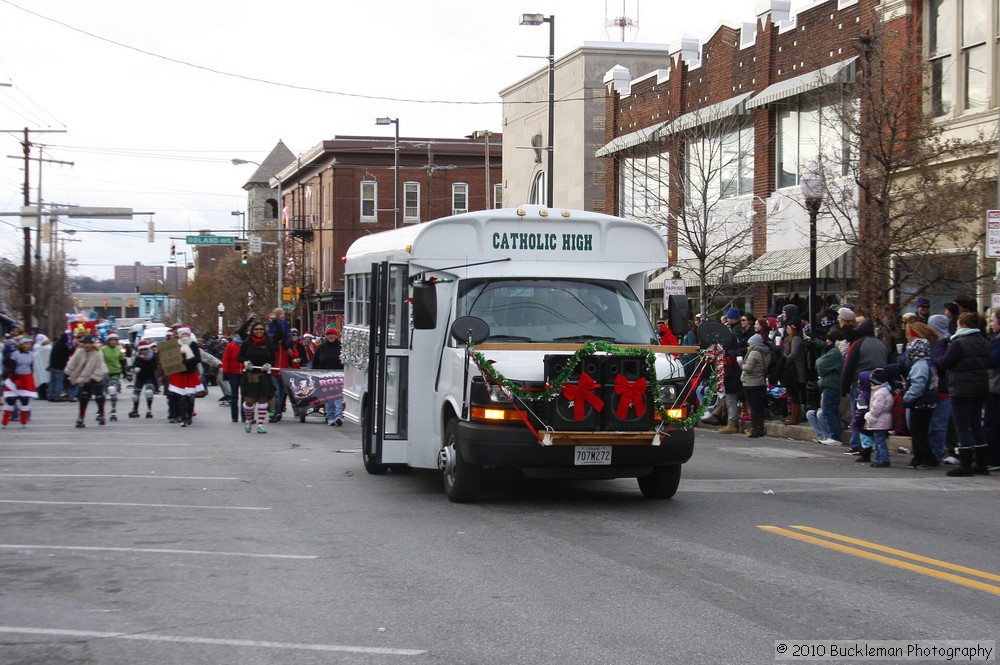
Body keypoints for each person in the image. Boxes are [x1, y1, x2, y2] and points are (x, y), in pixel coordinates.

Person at [938, 312, 990, 476]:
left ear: (962, 325)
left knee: (962, 426)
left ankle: (965, 464)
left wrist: (941, 352)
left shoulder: (958, 343)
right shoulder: (984, 341)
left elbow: (945, 363)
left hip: (961, 389)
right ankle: (982, 463)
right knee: (976, 424)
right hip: (981, 387)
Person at [840, 318, 889, 455]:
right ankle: (875, 444)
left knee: (859, 414)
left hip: (861, 384)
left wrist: (843, 389)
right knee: (875, 414)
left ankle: (858, 445)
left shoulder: (858, 345)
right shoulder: (882, 345)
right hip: (880, 384)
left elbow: (848, 368)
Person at [901, 337, 939, 468]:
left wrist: (907, 397)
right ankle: (919, 457)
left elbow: (918, 385)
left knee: (918, 433)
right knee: (920, 432)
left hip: (920, 403)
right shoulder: (929, 364)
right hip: (929, 402)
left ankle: (927, 458)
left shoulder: (919, 366)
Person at [806, 327, 844, 445]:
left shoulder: (834, 352)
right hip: (829, 385)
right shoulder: (832, 352)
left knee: (828, 412)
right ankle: (825, 436)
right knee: (828, 411)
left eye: (828, 339)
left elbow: (820, 364)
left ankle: (835, 436)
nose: (826, 342)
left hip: (831, 386)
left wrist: (820, 366)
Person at [238, 319, 276, 433]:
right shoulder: (247, 342)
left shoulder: (268, 342)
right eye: (256, 329)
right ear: (252, 330)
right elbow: (239, 356)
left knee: (262, 400)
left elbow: (273, 358)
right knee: (249, 400)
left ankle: (260, 424)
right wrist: (245, 362)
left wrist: (269, 364)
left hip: (263, 374)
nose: (259, 331)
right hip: (250, 374)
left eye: (261, 329)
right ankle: (248, 419)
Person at [65, 334, 109, 428]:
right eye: (85, 343)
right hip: (85, 377)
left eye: (89, 343)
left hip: (98, 376)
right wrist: (67, 373)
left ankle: (101, 414)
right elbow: (72, 363)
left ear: (92, 344)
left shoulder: (98, 353)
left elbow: (99, 367)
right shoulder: (79, 352)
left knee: (99, 396)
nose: (87, 345)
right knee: (84, 396)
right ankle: (81, 417)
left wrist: (93, 378)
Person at [167, 327, 204, 427]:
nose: (184, 336)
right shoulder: (175, 345)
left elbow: (197, 359)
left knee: (190, 399)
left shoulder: (193, 344)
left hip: (190, 374)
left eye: (186, 334)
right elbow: (170, 359)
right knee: (181, 399)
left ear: (189, 335)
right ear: (179, 335)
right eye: (182, 334)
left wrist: (185, 362)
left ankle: (189, 416)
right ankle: (183, 418)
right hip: (179, 374)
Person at [312, 324, 344, 426]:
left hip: (338, 375)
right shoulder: (321, 348)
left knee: (338, 397)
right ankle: (330, 417)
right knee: (329, 398)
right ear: (326, 336)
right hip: (324, 376)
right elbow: (315, 362)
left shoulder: (341, 347)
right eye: (329, 334)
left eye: (333, 334)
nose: (331, 336)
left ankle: (339, 416)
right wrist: (314, 373)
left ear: (336, 336)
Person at [718, 307, 744, 434]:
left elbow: (728, 370)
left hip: (732, 381)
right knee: (732, 401)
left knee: (731, 401)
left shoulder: (731, 355)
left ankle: (732, 423)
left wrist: (724, 379)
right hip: (736, 379)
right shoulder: (735, 352)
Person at [2, 335, 38, 428]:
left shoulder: (31, 354)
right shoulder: (15, 354)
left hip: (27, 377)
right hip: (16, 377)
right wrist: (16, 379)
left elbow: (31, 367)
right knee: (10, 400)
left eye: (30, 344)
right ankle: (5, 421)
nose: (28, 345)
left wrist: (32, 379)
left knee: (25, 400)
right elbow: (12, 368)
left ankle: (23, 420)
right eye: (26, 344)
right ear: (21, 344)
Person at [740, 333, 770, 438]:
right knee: (759, 406)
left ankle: (754, 429)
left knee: (753, 407)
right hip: (760, 381)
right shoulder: (765, 352)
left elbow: (748, 368)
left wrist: (740, 364)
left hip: (750, 382)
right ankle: (761, 428)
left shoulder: (754, 353)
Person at [266, 308, 293, 422]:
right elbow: (275, 336)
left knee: (282, 392)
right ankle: (276, 412)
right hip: (274, 365)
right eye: (280, 314)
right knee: (276, 392)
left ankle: (278, 410)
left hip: (283, 365)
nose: (282, 316)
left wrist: (287, 345)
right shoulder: (272, 327)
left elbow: (286, 337)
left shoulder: (285, 327)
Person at [863, 368, 894, 467]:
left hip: (879, 421)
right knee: (878, 441)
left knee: (879, 441)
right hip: (882, 420)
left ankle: (883, 459)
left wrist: (871, 415)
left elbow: (877, 407)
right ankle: (878, 459)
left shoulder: (880, 393)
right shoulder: (884, 390)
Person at [781, 322, 807, 425]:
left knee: (796, 393)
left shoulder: (796, 339)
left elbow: (794, 354)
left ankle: (795, 416)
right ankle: (793, 415)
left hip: (796, 371)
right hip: (792, 370)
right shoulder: (789, 339)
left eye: (788, 327)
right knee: (792, 393)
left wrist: (784, 359)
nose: (787, 329)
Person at [128, 341, 160, 418]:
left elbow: (154, 368)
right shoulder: (137, 357)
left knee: (149, 392)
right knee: (135, 395)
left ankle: (149, 409)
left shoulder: (152, 357)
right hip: (140, 377)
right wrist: (136, 367)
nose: (143, 351)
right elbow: (134, 366)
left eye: (145, 350)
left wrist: (146, 361)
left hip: (149, 376)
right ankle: (135, 409)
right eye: (142, 350)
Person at [101, 332, 126, 422]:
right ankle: (100, 411)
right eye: (111, 340)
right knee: (102, 393)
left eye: (115, 340)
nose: (113, 342)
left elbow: (122, 361)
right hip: (104, 372)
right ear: (108, 341)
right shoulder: (103, 349)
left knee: (112, 389)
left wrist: (125, 373)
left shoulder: (119, 349)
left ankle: (113, 410)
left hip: (115, 372)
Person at [221, 332, 244, 424]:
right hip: (233, 373)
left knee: (244, 395)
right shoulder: (230, 346)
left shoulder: (245, 345)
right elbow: (225, 359)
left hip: (243, 373)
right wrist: (225, 372)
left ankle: (244, 416)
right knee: (234, 395)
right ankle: (234, 416)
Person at [48, 332, 71, 401]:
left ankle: (50, 395)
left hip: (52, 366)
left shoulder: (56, 345)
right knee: (59, 382)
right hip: (60, 367)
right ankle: (57, 396)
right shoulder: (64, 346)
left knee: (52, 381)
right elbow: (69, 352)